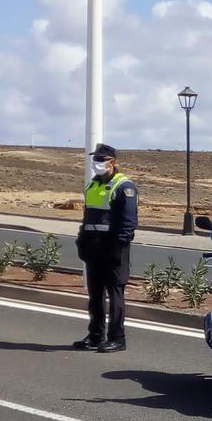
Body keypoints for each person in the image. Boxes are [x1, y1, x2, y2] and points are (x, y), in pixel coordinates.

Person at [72, 143, 138, 353]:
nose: (96, 163)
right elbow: (87, 217)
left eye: (101, 160)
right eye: (95, 160)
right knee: (95, 295)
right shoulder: (91, 186)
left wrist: (118, 247)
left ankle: (117, 338)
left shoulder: (124, 186)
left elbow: (129, 222)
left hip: (114, 249)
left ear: (113, 162)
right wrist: (81, 240)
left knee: (115, 295)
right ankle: (95, 335)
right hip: (93, 248)